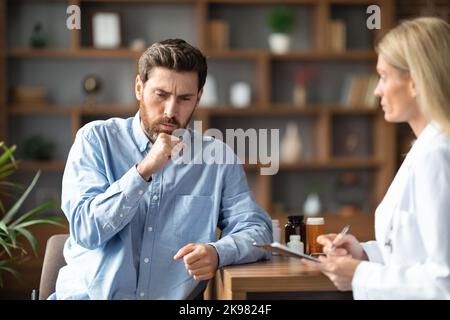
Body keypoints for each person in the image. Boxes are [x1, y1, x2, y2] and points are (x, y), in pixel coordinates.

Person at [51, 39, 272, 300]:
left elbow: (258, 231)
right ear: (138, 88)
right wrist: (143, 171)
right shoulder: (95, 140)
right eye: (161, 95)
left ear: (198, 97)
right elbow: (86, 230)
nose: (171, 110)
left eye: (185, 98)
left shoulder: (217, 158)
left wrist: (217, 252)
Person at [301, 17, 450, 299]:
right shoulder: (424, 149)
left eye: (383, 76)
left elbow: (444, 282)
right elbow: (413, 251)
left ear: (415, 81)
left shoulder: (438, 156)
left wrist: (359, 274)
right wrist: (364, 253)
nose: (376, 90)